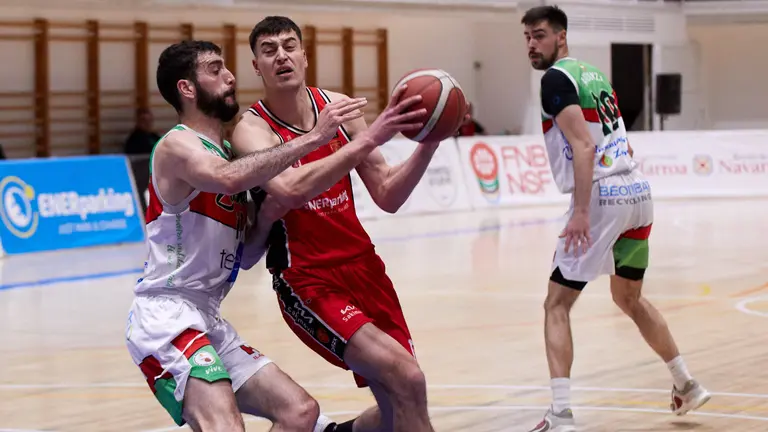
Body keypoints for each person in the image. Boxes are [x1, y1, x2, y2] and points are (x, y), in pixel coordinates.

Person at [230, 15, 464, 432]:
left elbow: (388, 194)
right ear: (256, 66)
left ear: (305, 55)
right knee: (409, 378)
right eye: (269, 50)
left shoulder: (337, 108)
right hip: (307, 279)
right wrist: (365, 138)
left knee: (398, 407)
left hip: (365, 267)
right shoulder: (252, 129)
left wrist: (428, 143)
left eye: (289, 46)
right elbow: (287, 189)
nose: (281, 56)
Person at [124, 39, 368, 432]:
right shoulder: (178, 144)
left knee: (300, 412)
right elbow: (226, 178)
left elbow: (248, 254)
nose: (230, 76)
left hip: (208, 316)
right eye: (215, 69)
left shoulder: (225, 152)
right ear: (187, 88)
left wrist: (271, 214)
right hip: (167, 316)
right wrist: (314, 137)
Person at [520, 6, 711, 431]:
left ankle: (562, 414)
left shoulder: (556, 79)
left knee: (557, 304)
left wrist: (582, 212)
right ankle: (686, 383)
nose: (532, 45)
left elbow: (583, 147)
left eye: (539, 36)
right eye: (528, 38)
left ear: (561, 37)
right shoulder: (593, 74)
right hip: (637, 191)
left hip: (604, 195)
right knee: (628, 298)